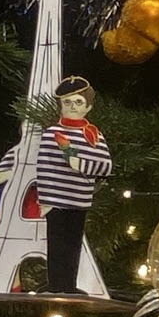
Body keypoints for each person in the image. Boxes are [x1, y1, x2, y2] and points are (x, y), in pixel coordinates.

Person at [35, 77, 111, 295]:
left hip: (80, 200)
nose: (73, 107)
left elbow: (105, 166)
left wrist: (81, 164)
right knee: (56, 243)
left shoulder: (94, 136)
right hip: (56, 202)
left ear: (88, 106)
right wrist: (46, 200)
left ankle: (68, 285)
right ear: (60, 106)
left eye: (78, 102)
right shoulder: (52, 135)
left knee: (73, 244)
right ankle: (55, 284)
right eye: (68, 103)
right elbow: (43, 168)